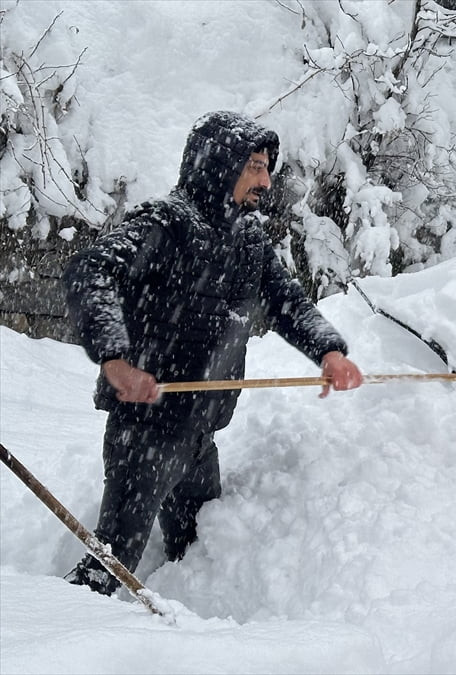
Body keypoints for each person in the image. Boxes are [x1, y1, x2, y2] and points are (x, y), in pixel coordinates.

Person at [62, 110, 364, 595]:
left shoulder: (249, 240)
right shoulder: (165, 226)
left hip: (200, 436)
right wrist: (114, 359)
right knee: (109, 565)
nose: (265, 180)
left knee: (202, 554)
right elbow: (89, 272)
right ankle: (51, 641)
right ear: (218, 165)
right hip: (145, 437)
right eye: (254, 167)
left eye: (267, 168)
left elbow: (287, 302)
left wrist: (328, 351)